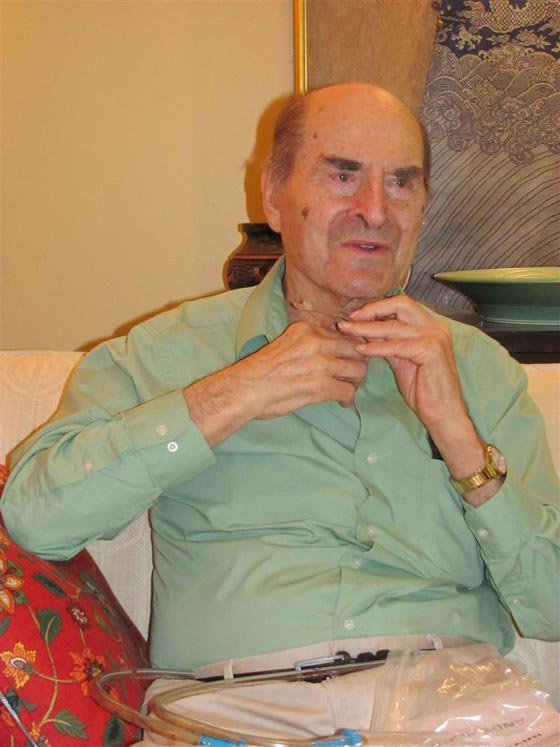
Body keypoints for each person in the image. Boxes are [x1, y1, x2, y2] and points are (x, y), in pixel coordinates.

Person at [1, 84, 558, 738]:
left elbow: (551, 606)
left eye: (401, 183)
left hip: (449, 700)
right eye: (343, 175)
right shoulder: (166, 352)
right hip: (233, 709)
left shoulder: (479, 368)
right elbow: (36, 517)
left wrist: (458, 435)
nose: (375, 210)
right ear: (273, 194)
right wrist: (232, 394)